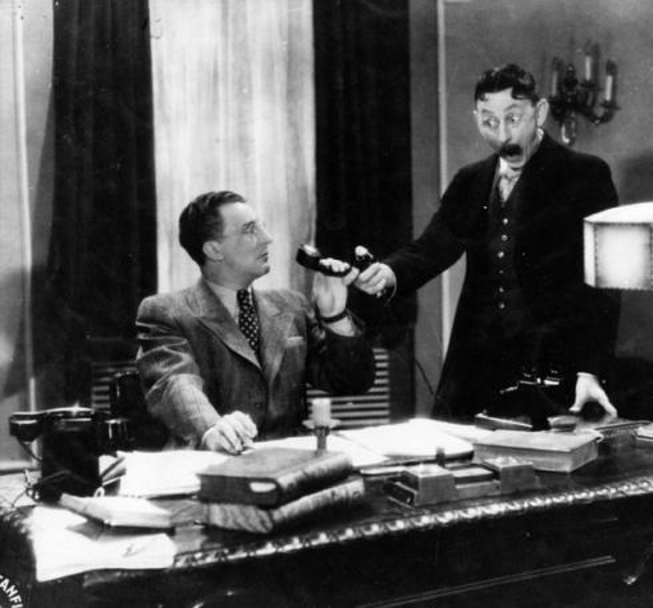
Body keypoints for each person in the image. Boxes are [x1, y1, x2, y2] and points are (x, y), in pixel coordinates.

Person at [357, 63, 620, 427]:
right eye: (489, 121)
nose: (502, 135)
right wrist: (388, 272)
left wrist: (589, 370)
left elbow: (605, 282)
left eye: (513, 118)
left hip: (555, 366)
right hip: (476, 364)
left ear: (540, 112)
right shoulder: (470, 181)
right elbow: (433, 247)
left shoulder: (584, 174)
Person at [136, 191, 375, 453]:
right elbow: (176, 382)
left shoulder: (291, 305)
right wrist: (213, 428)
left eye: (262, 226)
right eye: (250, 229)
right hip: (214, 463)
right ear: (214, 250)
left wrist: (335, 315)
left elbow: (353, 381)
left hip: (289, 464)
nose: (267, 238)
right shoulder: (165, 312)